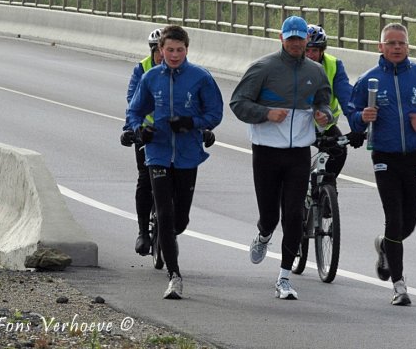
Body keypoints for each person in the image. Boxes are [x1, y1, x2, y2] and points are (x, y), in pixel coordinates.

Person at [347, 23, 416, 306]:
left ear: (408, 47)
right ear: (380, 47)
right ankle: (399, 284)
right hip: (384, 156)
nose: (396, 47)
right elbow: (352, 113)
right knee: (393, 219)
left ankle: (384, 245)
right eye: (390, 43)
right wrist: (362, 118)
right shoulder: (369, 80)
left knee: (407, 224)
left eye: (401, 43)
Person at [230, 16, 332, 300]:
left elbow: (324, 101)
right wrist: (266, 114)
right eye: (291, 38)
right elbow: (238, 103)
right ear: (282, 38)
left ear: (307, 40)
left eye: (301, 39)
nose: (296, 43)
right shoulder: (263, 68)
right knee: (270, 216)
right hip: (266, 151)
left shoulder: (316, 71)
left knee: (294, 215)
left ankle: (284, 278)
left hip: (299, 152)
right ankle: (263, 235)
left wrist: (325, 115)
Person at [127, 25, 223, 299]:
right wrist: (139, 131)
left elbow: (215, 113)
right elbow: (134, 110)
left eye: (180, 50)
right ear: (161, 51)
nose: (174, 54)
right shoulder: (150, 77)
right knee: (166, 218)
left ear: (186, 50)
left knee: (179, 220)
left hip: (187, 155)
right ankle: (174, 276)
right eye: (169, 50)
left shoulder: (200, 77)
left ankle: (167, 231)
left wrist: (191, 123)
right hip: (157, 152)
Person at [121, 28, 163, 256]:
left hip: (173, 136)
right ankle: (143, 232)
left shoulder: (183, 70)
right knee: (145, 179)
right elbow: (132, 102)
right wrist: (129, 130)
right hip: (146, 133)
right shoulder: (142, 68)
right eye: (159, 51)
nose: (164, 56)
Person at [304, 24, 365, 179]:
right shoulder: (291, 66)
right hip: (297, 125)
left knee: (339, 151)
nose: (310, 55)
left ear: (322, 51)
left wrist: (356, 126)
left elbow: (347, 98)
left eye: (315, 50)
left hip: (325, 125)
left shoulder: (334, 65)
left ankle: (327, 188)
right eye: (307, 50)